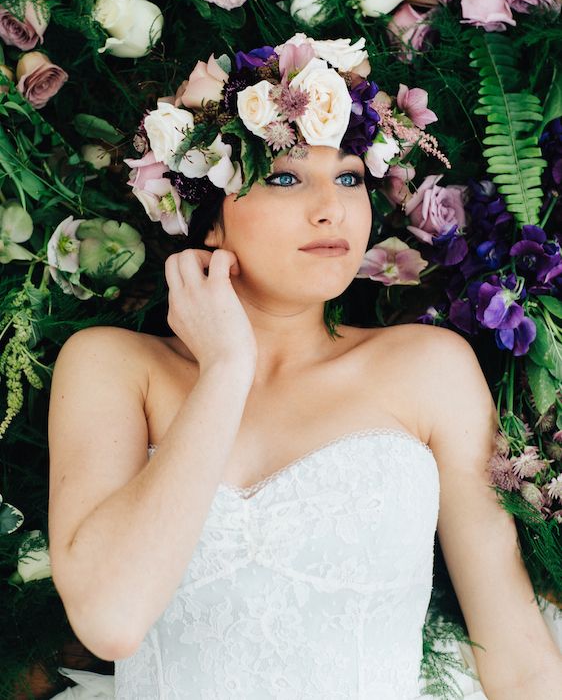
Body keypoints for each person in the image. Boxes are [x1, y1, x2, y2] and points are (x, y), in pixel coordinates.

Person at [47, 37, 562, 698]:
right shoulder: (112, 367)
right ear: (209, 218)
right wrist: (225, 369)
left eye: (349, 177)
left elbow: (518, 660)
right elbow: (112, 620)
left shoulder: (429, 369)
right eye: (287, 177)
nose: (332, 206)